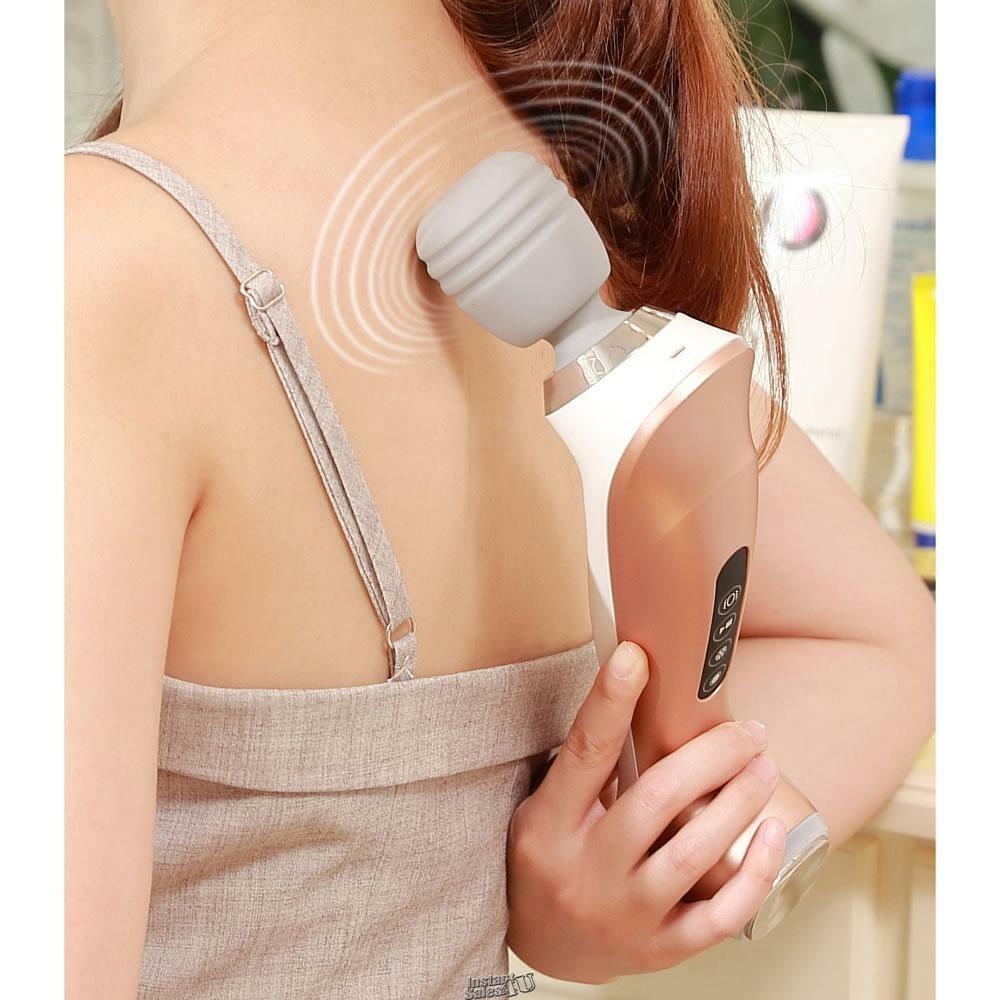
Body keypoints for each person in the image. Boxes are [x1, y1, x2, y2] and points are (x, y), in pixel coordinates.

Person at [65, 1, 935, 996]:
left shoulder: (91, 272)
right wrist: (664, 864)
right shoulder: (542, 216)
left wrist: (661, 849)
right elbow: (874, 638)